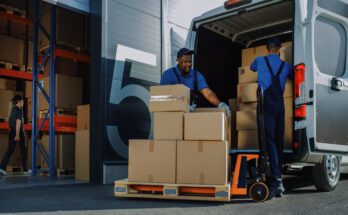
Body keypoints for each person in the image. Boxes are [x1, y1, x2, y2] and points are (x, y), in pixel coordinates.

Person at [250, 37, 293, 199]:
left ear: (267, 49)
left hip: (266, 105)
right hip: (279, 106)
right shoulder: (286, 66)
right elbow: (293, 76)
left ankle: (276, 181)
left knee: (270, 142)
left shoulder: (259, 60)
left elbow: (252, 68)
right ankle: (278, 178)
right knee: (278, 141)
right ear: (280, 49)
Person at [160, 48, 229, 112]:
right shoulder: (168, 75)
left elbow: (208, 93)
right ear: (178, 60)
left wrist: (219, 104)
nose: (188, 64)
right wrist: (182, 107)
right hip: (172, 113)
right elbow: (163, 97)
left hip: (190, 114)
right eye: (185, 62)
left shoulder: (196, 75)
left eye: (190, 61)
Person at [0, 95, 28, 176]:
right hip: (17, 132)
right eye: (22, 101)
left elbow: (11, 121)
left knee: (10, 150)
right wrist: (17, 135)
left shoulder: (12, 109)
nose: (23, 102)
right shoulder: (19, 110)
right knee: (23, 150)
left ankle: (2, 168)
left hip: (11, 131)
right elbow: (18, 123)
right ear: (19, 101)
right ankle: (25, 169)